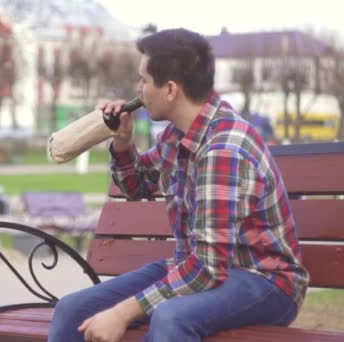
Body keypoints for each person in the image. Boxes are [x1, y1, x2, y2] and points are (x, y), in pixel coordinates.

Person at [48, 28, 309, 342]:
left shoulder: (223, 150)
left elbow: (209, 269)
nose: (138, 89)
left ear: (170, 90)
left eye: (143, 80)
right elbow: (137, 187)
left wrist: (121, 313)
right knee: (71, 309)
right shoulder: (177, 134)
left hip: (265, 282)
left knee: (170, 318)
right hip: (196, 266)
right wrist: (123, 143)